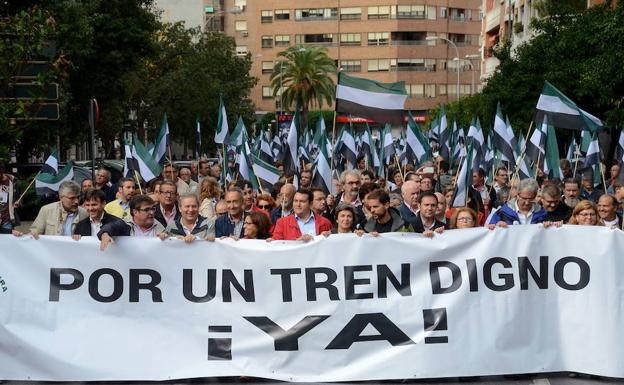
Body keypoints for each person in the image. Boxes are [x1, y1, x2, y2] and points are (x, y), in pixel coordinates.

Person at [97, 195, 166, 250]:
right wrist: (105, 234)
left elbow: (174, 238)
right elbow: (112, 226)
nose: (151, 212)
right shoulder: (125, 225)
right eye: (147, 209)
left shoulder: (162, 225)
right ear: (135, 212)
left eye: (153, 208)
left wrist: (168, 238)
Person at [20, 181, 88, 238]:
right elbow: (34, 232)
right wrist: (19, 237)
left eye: (78, 197)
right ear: (61, 197)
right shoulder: (46, 210)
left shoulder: (84, 213)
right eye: (72, 198)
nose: (76, 201)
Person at [0, 163, 18, 234]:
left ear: (2, 172)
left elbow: (17, 196)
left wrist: (17, 202)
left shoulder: (12, 181)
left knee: (8, 241)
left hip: (7, 219)